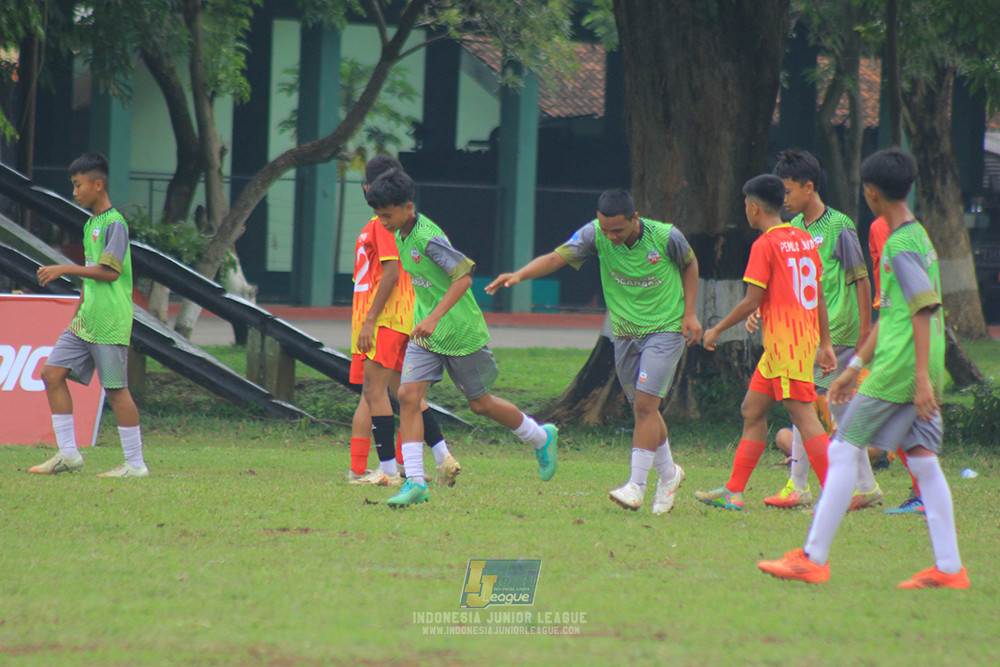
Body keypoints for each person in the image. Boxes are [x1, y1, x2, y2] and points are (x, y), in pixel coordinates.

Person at [758, 148, 968, 588]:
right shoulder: (920, 237)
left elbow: (924, 309)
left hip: (899, 371)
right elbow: (891, 314)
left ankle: (813, 557)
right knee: (925, 462)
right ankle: (950, 569)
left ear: (870, 193)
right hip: (910, 367)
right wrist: (854, 366)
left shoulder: (899, 245)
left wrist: (920, 378)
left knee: (840, 449)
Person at [486, 189, 700, 515]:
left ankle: (636, 486)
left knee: (644, 405)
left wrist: (690, 314)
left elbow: (690, 263)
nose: (611, 237)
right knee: (645, 410)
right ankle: (670, 474)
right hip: (625, 333)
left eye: (619, 230)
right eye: (606, 229)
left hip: (666, 330)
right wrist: (520, 274)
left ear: (635, 220)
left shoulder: (666, 236)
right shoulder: (594, 234)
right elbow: (557, 257)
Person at [364, 169, 558, 508]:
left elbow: (463, 279)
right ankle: (415, 482)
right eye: (379, 216)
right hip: (425, 334)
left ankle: (540, 437)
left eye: (387, 215)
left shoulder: (427, 237)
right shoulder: (400, 234)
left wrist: (434, 317)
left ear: (408, 208)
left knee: (479, 404)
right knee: (408, 395)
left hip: (458, 331)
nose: (382, 222)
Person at [694, 174, 836, 510]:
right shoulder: (802, 238)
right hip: (792, 342)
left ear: (754, 208)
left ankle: (835, 493)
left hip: (787, 344)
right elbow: (816, 297)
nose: (745, 210)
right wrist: (825, 342)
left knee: (803, 416)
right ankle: (734, 491)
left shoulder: (765, 244)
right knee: (751, 410)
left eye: (745, 205)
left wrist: (717, 329)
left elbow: (750, 301)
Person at [763, 149, 878, 511]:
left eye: (787, 191)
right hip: (805, 333)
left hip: (838, 333)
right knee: (821, 409)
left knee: (804, 405)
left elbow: (861, 281)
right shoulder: (793, 230)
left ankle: (800, 486)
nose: (783, 200)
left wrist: (863, 333)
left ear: (809, 188)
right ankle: (866, 486)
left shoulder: (838, 227)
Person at [30, 152, 148, 478]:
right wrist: (79, 310)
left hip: (110, 319)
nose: (75, 191)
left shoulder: (114, 224)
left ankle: (135, 465)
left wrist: (64, 268)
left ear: (98, 185)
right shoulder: (92, 224)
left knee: (115, 390)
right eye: (73, 185)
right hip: (87, 320)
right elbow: (91, 275)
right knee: (51, 374)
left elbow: (109, 272)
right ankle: (68, 455)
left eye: (78, 185)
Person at [347, 155, 459, 488]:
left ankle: (388, 470)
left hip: (386, 319)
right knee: (402, 392)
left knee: (374, 391)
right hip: (393, 318)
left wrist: (369, 321)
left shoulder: (382, 224)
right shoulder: (395, 222)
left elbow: (392, 273)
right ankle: (441, 456)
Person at [871, 215, 924, 515]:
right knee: (906, 422)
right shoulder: (916, 229)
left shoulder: (884, 229)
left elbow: (897, 289)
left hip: (896, 334)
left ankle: (863, 489)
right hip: (901, 333)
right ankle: (922, 493)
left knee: (895, 419)